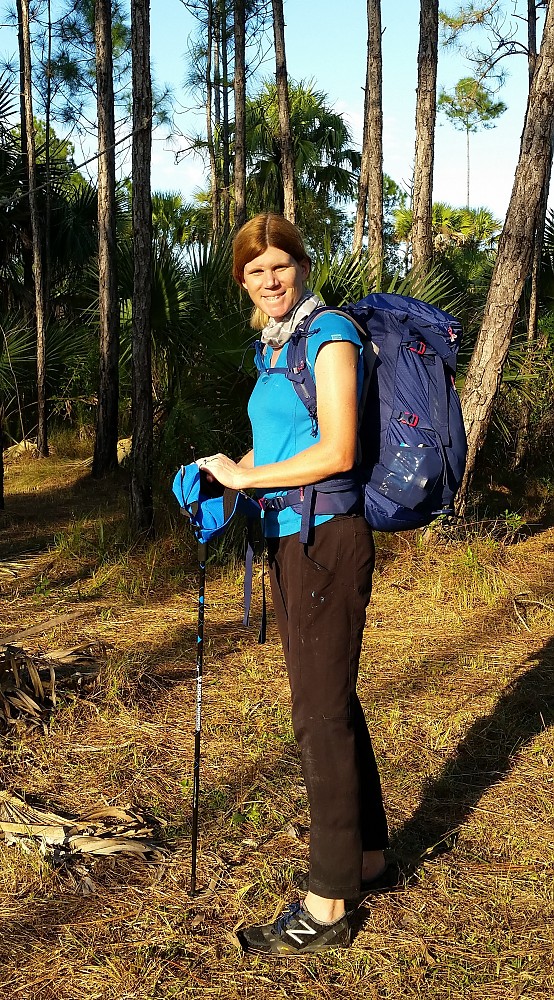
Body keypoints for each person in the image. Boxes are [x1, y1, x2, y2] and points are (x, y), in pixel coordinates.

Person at [196, 212, 389, 957]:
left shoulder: (330, 333)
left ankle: (330, 899)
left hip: (326, 541)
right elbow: (282, 442)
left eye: (279, 265)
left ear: (301, 266)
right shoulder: (275, 349)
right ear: (242, 280)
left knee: (318, 716)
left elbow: (337, 450)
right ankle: (367, 856)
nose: (269, 280)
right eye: (255, 271)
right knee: (332, 701)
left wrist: (252, 477)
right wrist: (228, 478)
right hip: (289, 539)